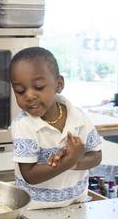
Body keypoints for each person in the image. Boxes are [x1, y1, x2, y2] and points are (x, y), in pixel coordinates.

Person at [9, 47, 102, 209]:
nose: (29, 95)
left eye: (38, 87)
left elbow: (96, 156)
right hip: (35, 210)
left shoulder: (79, 117)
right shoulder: (24, 124)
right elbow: (30, 175)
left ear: (59, 85)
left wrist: (75, 162)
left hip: (76, 205)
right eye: (20, 91)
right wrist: (68, 161)